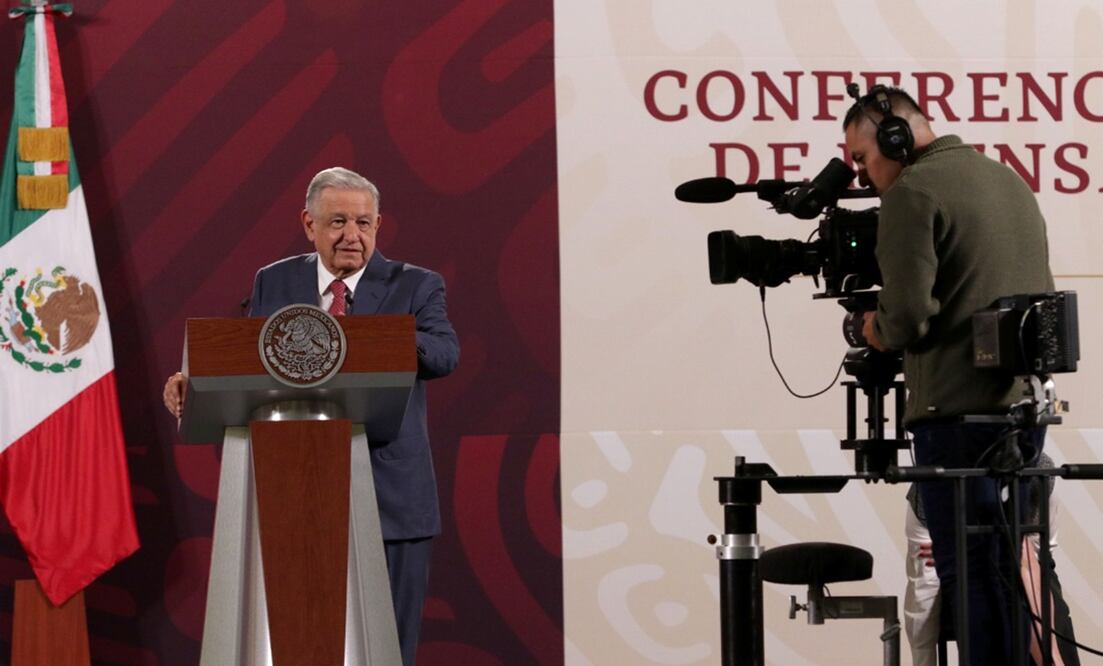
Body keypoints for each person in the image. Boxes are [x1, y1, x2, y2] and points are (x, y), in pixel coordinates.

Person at [162, 167, 459, 666]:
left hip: (391, 500)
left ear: (379, 224)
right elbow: (249, 358)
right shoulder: (274, 280)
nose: (352, 235)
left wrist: (363, 340)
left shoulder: (416, 286)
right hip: (293, 495)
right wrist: (194, 382)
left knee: (390, 649)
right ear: (309, 223)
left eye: (364, 223)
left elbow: (444, 354)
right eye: (338, 221)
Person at [843, 86, 1057, 664]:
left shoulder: (913, 192)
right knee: (1014, 570)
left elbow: (907, 318)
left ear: (896, 137)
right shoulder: (1007, 181)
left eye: (862, 159)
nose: (863, 176)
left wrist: (871, 328)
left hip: (954, 420)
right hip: (1021, 415)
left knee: (973, 576)